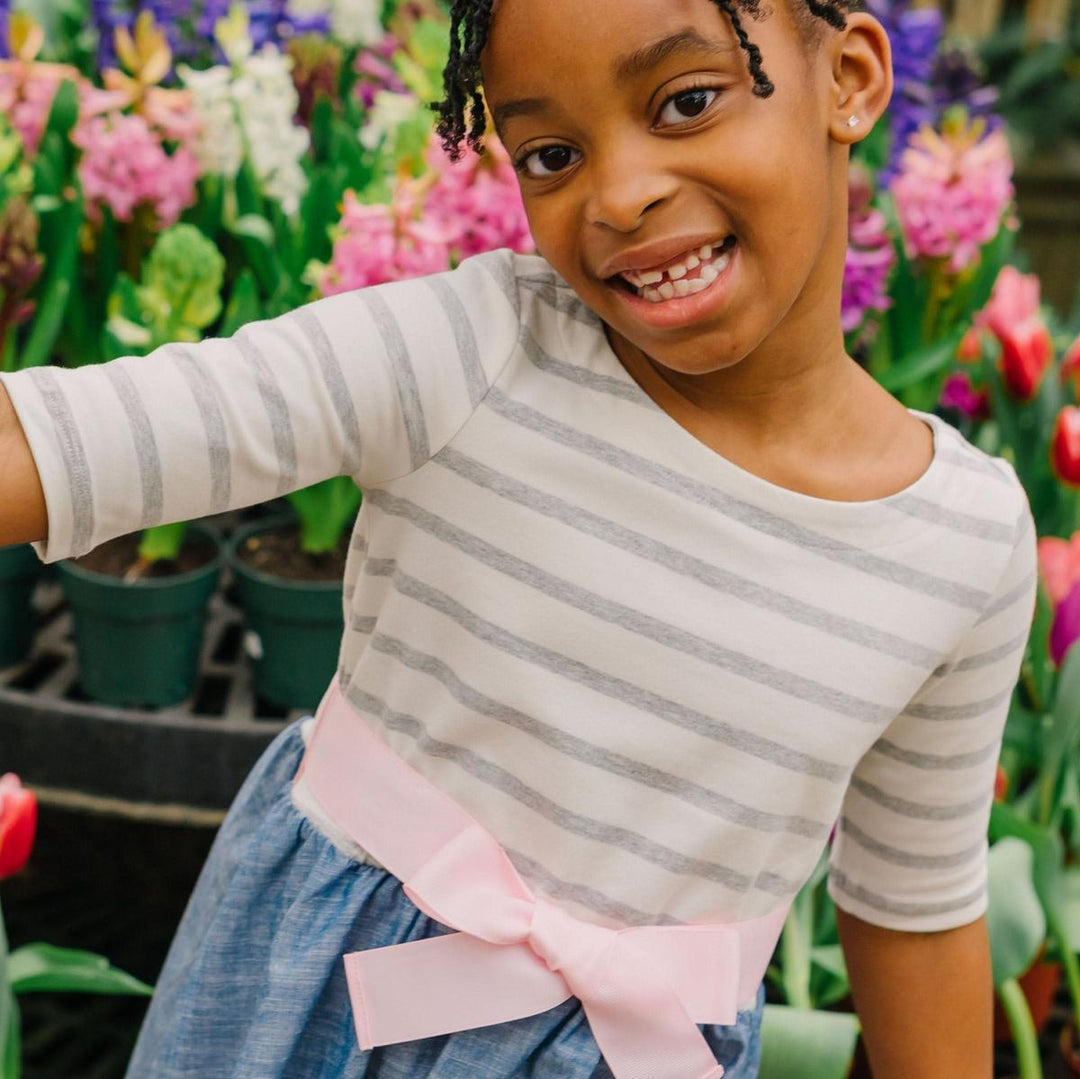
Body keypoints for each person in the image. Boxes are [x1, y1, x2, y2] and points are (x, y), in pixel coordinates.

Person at [0, 0, 1036, 1075]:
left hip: (643, 1051)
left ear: (853, 79)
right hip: (308, 999)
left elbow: (915, 906)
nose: (621, 194)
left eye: (686, 102)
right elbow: (77, 441)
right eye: (551, 153)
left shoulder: (961, 540)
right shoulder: (475, 349)